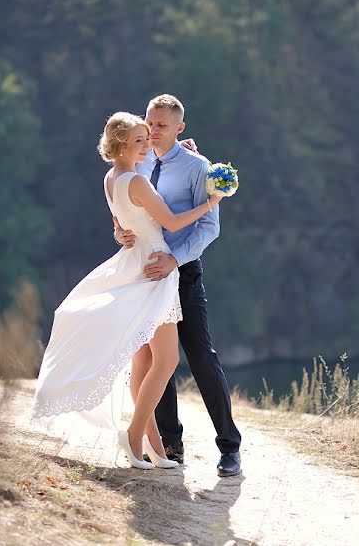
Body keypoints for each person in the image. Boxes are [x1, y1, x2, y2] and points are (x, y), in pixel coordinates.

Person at [31, 112, 228, 470]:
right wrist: (210, 204)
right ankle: (135, 435)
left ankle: (155, 446)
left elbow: (122, 223)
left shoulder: (112, 178)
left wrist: (175, 155)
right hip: (155, 269)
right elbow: (170, 221)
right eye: (140, 139)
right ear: (122, 145)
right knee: (165, 361)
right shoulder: (137, 182)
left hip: (135, 263)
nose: (147, 143)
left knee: (145, 360)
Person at [114, 94, 242, 477]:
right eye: (149, 123)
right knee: (156, 361)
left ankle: (230, 447)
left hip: (181, 271)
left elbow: (209, 226)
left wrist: (175, 258)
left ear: (180, 128)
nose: (152, 131)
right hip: (145, 273)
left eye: (161, 126)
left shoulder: (197, 167)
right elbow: (128, 207)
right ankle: (169, 446)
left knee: (201, 356)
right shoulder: (140, 158)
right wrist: (120, 232)